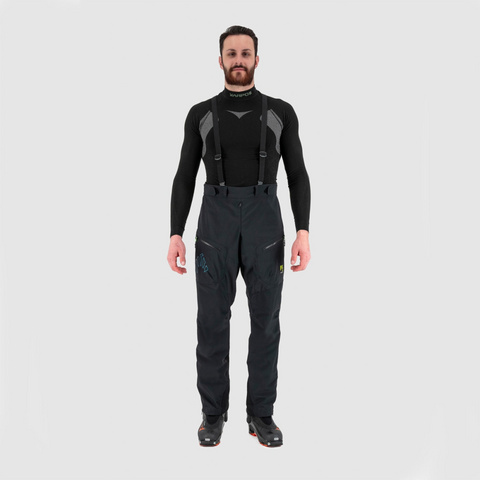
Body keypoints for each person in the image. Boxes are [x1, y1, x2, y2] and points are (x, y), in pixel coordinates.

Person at [167, 25, 311, 448]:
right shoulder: (200, 113)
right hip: (215, 223)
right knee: (211, 322)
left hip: (266, 222)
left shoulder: (281, 112)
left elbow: (298, 174)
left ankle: (261, 415)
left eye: (246, 53)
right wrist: (175, 233)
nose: (239, 60)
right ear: (220, 60)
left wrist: (303, 231)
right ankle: (212, 415)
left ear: (257, 60)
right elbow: (184, 176)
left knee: (266, 323)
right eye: (231, 53)